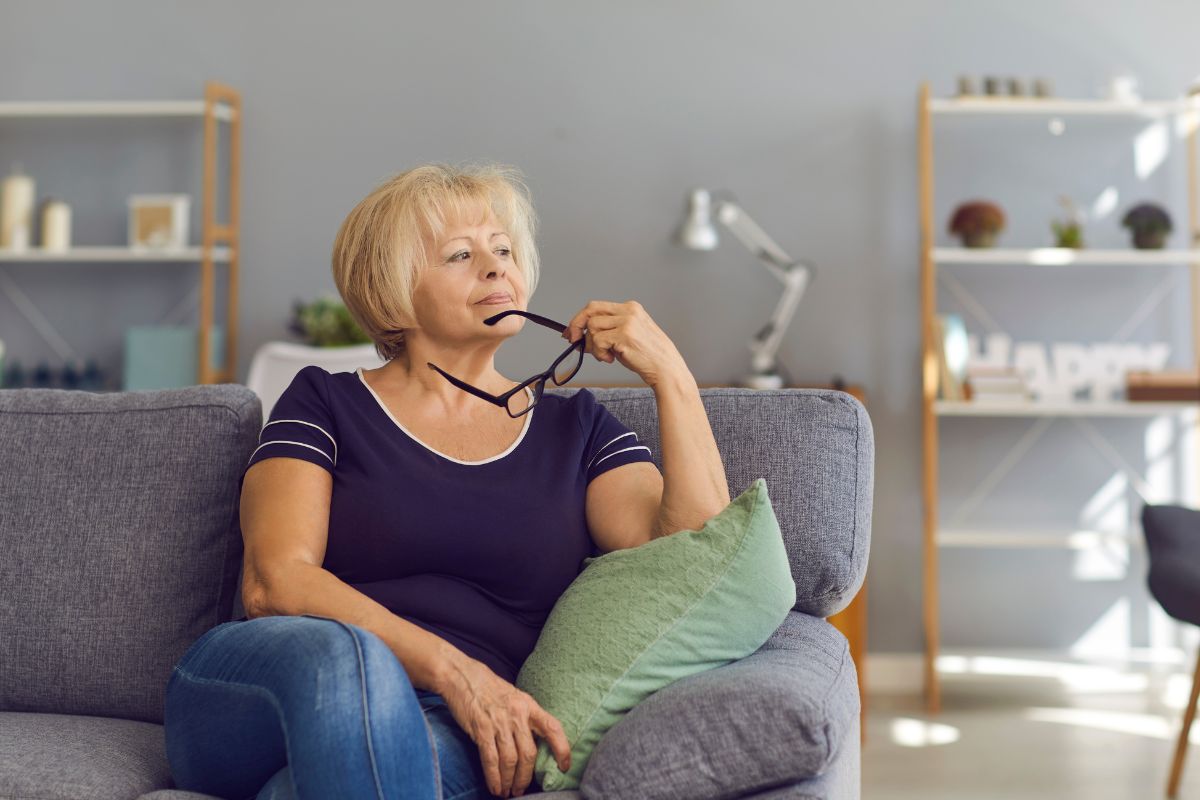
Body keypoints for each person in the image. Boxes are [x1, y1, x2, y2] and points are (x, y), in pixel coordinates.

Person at [162, 162, 730, 799]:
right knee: (347, 662)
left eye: (504, 250)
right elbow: (276, 582)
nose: (495, 268)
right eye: (461, 254)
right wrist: (460, 675)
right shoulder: (323, 402)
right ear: (393, 291)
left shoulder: (577, 429)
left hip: (445, 728)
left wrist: (672, 378)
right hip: (273, 681)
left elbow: (696, 557)